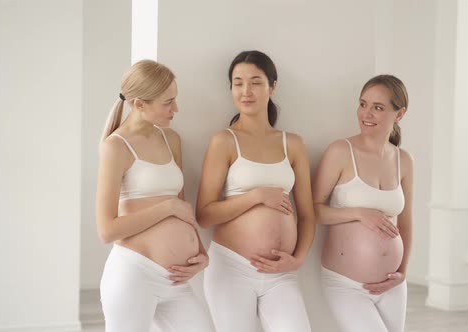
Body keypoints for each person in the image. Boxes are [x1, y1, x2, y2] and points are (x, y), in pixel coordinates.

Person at [196, 50, 315, 332]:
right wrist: (256, 196)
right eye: (238, 83)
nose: (246, 91)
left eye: (255, 82)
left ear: (272, 86)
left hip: (280, 274)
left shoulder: (293, 144)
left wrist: (297, 259)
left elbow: (308, 216)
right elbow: (204, 215)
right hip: (231, 269)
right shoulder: (224, 141)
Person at [96, 59, 213, 332]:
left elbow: (182, 208)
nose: (176, 108)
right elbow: (106, 230)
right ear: (139, 104)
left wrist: (200, 251)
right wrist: (167, 207)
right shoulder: (115, 147)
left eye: (175, 99)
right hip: (134, 276)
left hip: (175, 281)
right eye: (167, 102)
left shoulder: (171, 139)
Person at [313, 74, 414, 332]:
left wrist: (402, 272)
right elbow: (314, 211)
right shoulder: (340, 151)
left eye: (378, 107)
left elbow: (406, 222)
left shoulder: (404, 160)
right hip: (347, 284)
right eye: (363, 104)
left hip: (392, 285)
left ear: (399, 114)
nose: (366, 113)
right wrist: (359, 214)